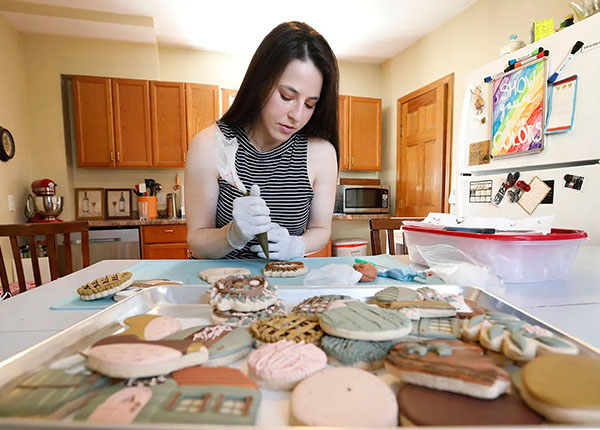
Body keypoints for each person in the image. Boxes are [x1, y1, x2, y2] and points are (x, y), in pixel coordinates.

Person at [185, 21, 339, 260]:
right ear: (260, 83)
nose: (297, 116)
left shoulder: (321, 153)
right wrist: (232, 235)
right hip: (218, 285)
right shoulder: (209, 145)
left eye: (310, 104)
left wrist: (295, 246)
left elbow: (321, 230)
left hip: (285, 284)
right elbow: (197, 243)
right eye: (287, 96)